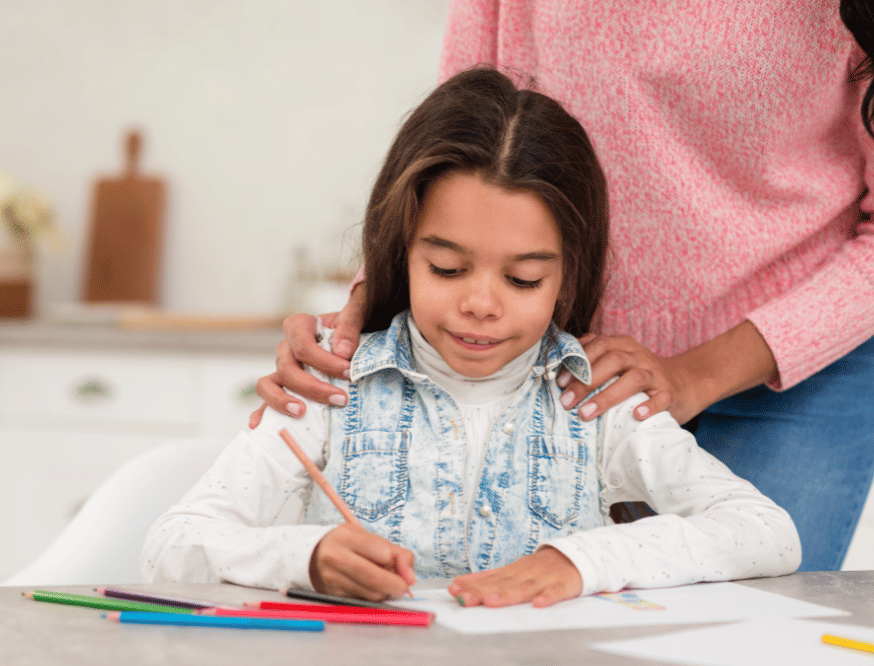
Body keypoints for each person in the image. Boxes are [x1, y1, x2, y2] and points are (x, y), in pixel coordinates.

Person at [253, 1, 874, 572]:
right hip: (565, 357)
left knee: (746, 619)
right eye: (447, 269)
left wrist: (697, 375)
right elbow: (458, 143)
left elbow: (763, 537)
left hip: (798, 360)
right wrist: (376, 296)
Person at [143, 69, 800, 607]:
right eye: (448, 269)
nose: (480, 304)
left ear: (566, 281)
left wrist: (582, 561)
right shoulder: (331, 388)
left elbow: (767, 535)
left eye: (522, 279)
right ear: (399, 253)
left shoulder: (597, 404)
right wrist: (304, 557)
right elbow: (172, 545)